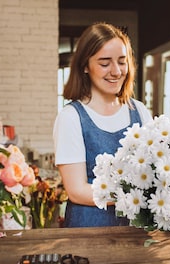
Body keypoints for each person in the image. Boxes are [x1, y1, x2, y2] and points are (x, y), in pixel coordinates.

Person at [53, 22, 153, 227]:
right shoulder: (71, 117)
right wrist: (135, 195)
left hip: (136, 231)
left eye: (122, 62)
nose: (116, 71)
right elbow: (77, 190)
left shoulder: (140, 111)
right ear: (85, 66)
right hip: (88, 230)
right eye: (105, 63)